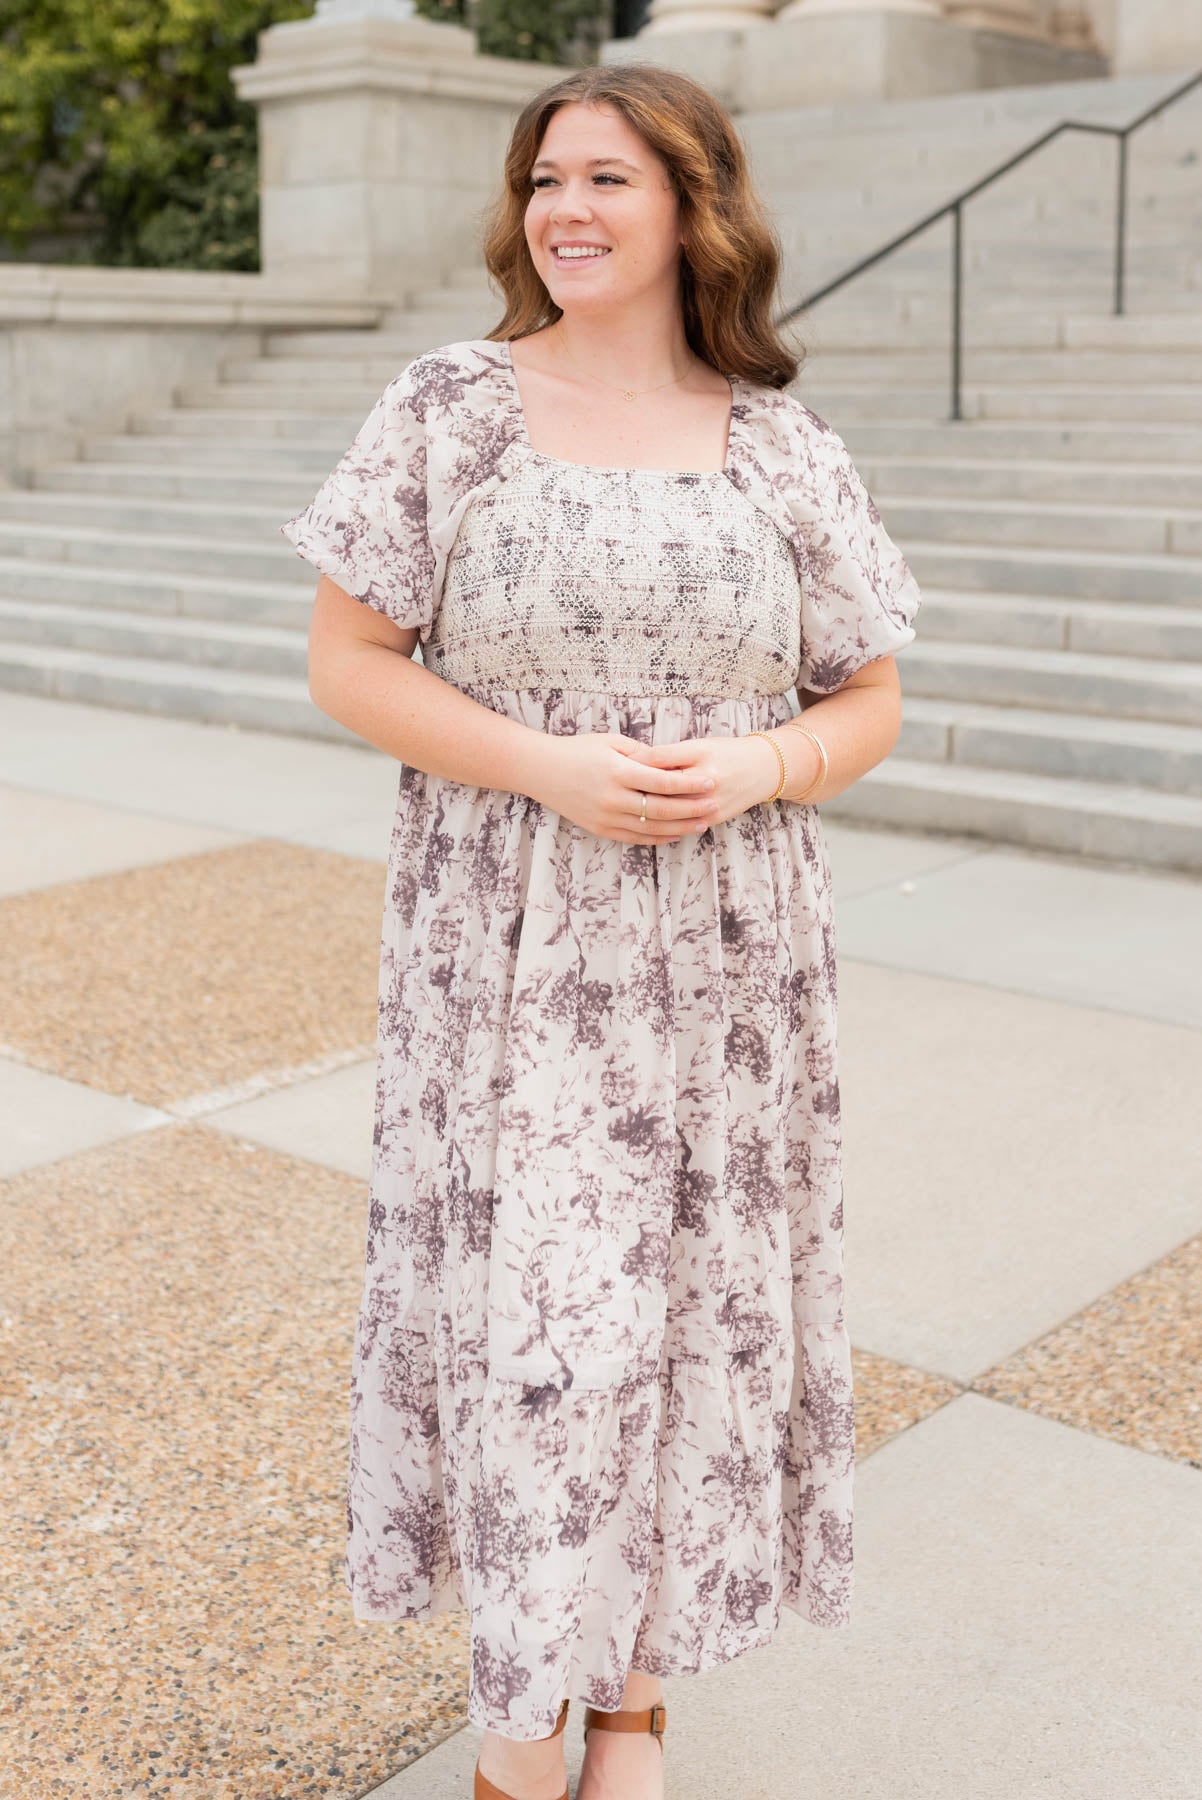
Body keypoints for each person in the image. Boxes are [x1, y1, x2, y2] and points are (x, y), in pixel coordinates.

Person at [282, 59, 921, 1800]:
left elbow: (867, 696)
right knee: (535, 1323)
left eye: (610, 181)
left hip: (728, 956)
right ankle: (514, 1727)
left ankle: (629, 1706)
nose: (566, 209)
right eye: (545, 178)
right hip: (507, 954)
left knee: (682, 1316)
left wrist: (762, 762)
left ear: (693, 205)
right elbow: (348, 662)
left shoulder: (778, 441)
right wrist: (544, 768)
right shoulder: (449, 409)